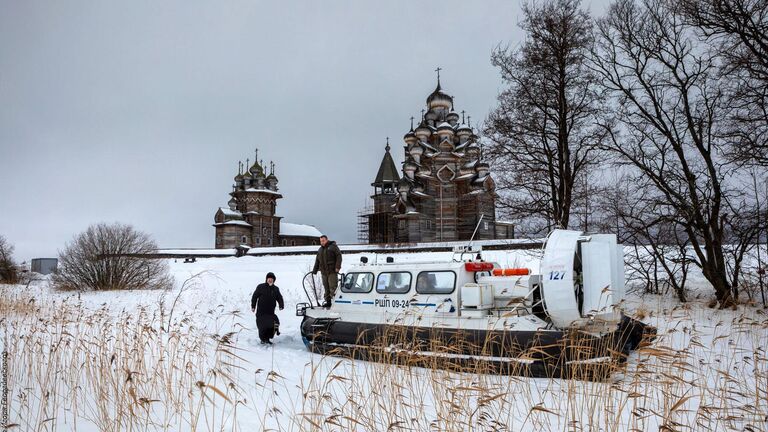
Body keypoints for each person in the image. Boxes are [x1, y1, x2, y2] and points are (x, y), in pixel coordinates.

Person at [251, 272, 284, 344]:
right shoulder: (260, 287)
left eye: (271, 279)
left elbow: (279, 297)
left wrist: (281, 305)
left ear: (274, 280)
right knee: (263, 326)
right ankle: (263, 339)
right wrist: (253, 306)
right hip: (261, 313)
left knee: (275, 324)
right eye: (268, 278)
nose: (270, 280)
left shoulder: (276, 289)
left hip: (270, 313)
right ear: (266, 279)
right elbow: (254, 296)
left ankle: (268, 338)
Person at [312, 235, 342, 308]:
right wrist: (314, 270)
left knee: (333, 288)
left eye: (323, 241)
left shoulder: (333, 247)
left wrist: (337, 267)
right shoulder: (320, 250)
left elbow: (339, 256)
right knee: (326, 288)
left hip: (332, 271)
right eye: (320, 241)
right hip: (324, 272)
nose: (322, 242)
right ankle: (328, 302)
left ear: (327, 240)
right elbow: (317, 261)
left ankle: (335, 303)